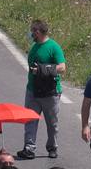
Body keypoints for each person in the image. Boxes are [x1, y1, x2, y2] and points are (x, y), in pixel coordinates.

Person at [20, 20, 65, 160]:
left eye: (32, 31)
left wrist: (43, 69)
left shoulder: (53, 47)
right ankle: (29, 148)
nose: (30, 33)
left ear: (37, 32)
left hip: (50, 92)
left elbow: (62, 68)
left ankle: (52, 147)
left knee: (52, 122)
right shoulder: (35, 46)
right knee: (30, 120)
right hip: (32, 90)